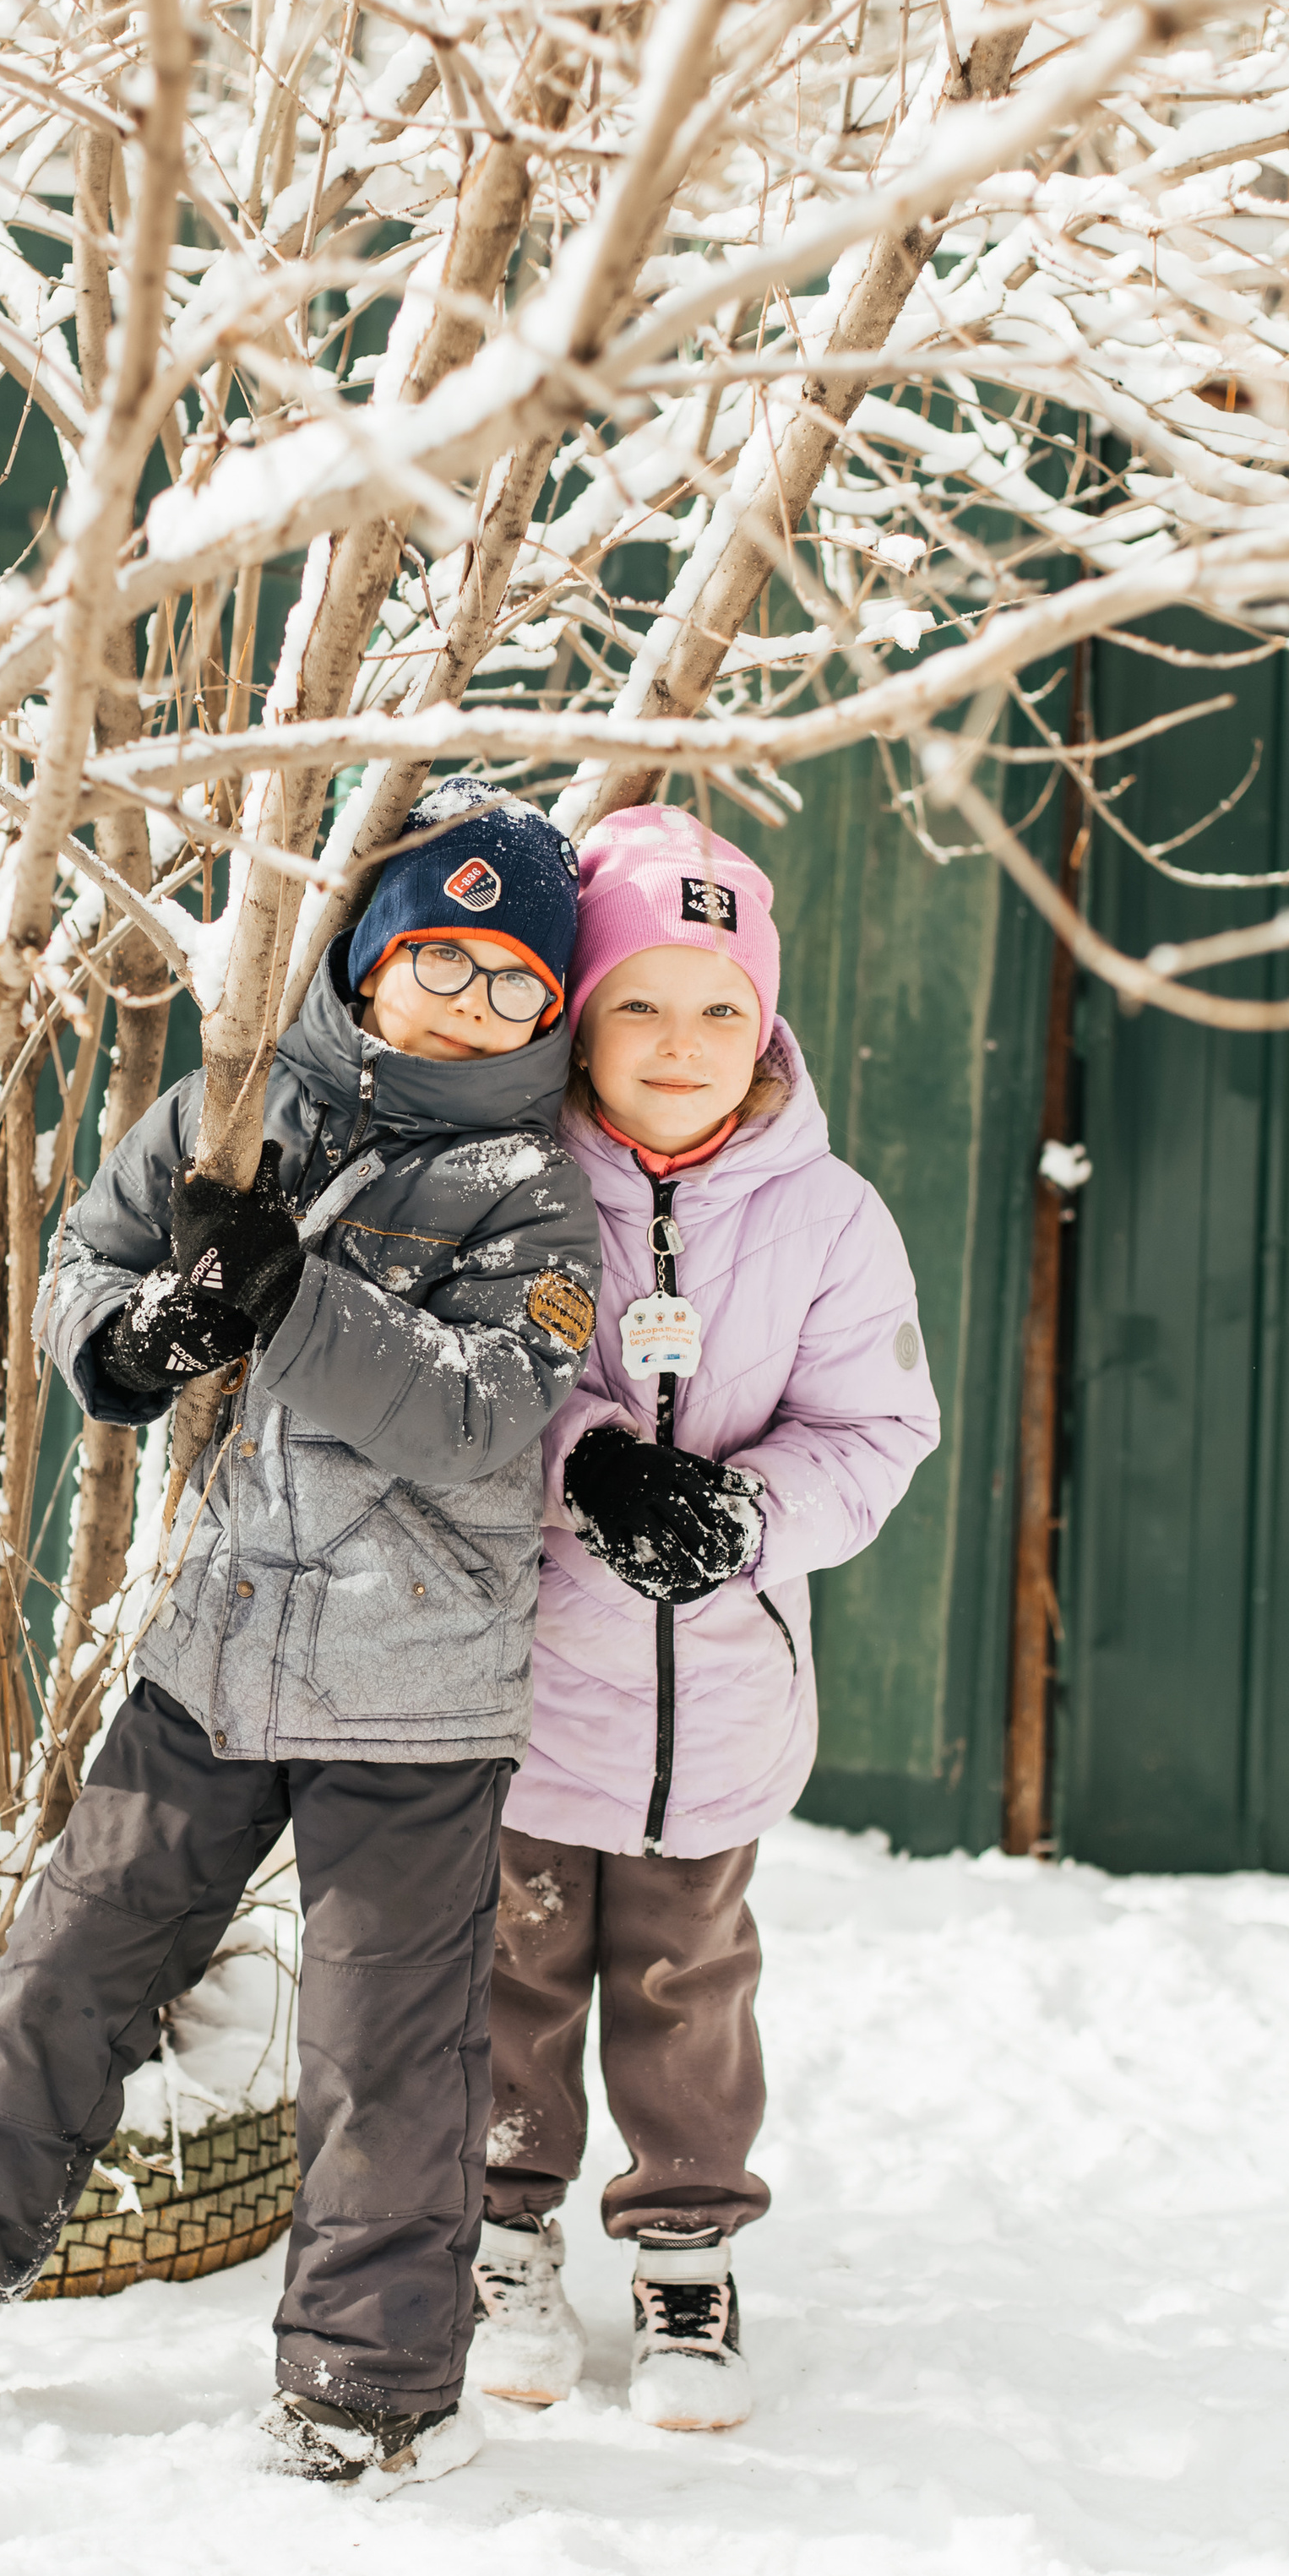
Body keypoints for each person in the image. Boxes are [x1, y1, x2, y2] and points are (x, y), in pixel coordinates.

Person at [0, 785, 601, 2488]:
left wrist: (290, 1305)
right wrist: (142, 1339)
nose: (461, 997)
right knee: (76, 1962)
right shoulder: (247, 1106)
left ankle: (362, 2390)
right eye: (429, 955)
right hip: (215, 1655)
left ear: (549, 1010)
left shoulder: (532, 1197)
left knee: (386, 2050)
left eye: (507, 979)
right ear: (364, 958)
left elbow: (470, 1414)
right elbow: (92, 1253)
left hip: (416, 1695)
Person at [468, 805, 940, 2432]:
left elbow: (880, 1432)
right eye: (641, 1007)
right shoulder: (518, 1192)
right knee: (511, 1984)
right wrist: (592, 1467)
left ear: (768, 1025)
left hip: (720, 1707)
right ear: (582, 1021)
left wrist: (745, 1517)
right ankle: (501, 2234)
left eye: (719, 1007)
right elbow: (467, 1390)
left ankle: (684, 2244)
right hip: (527, 1701)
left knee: (688, 1989)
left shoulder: (830, 1222)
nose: (683, 1045)